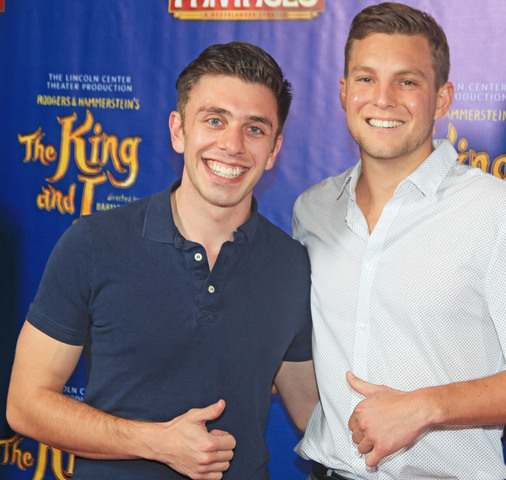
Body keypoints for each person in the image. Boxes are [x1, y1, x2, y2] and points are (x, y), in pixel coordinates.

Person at [292, 3, 506, 479]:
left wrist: (426, 407)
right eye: (366, 79)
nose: (383, 98)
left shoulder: (502, 213)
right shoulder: (313, 210)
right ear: (344, 93)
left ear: (442, 98)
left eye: (407, 81)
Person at [7, 41, 318, 480]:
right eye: (214, 120)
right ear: (178, 130)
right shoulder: (93, 243)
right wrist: (158, 443)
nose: (232, 145)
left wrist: (417, 416)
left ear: (274, 149)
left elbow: (312, 412)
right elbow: (25, 404)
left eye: (255, 129)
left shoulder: (293, 265)